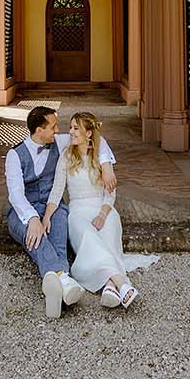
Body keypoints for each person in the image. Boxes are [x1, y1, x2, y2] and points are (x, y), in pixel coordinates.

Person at [6, 105, 117, 319]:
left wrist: (106, 165)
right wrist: (32, 219)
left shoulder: (58, 142)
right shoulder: (14, 155)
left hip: (52, 207)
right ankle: (63, 278)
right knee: (38, 238)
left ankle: (57, 285)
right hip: (23, 211)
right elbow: (16, 195)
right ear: (39, 130)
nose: (58, 131)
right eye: (54, 127)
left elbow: (93, 137)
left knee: (58, 240)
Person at [46, 111, 157, 308]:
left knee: (107, 237)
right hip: (78, 211)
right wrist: (47, 216)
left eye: (75, 128)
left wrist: (103, 214)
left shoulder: (101, 157)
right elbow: (56, 191)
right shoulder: (66, 156)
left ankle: (108, 285)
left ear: (88, 134)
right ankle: (121, 284)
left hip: (103, 208)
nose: (70, 132)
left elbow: (110, 193)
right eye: (70, 127)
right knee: (88, 235)